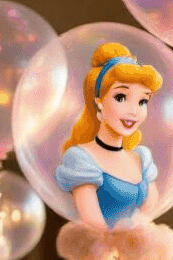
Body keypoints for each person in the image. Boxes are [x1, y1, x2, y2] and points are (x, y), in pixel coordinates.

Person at [55, 42, 163, 229]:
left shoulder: (141, 158)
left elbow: (148, 215)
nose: (134, 111)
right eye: (121, 97)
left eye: (142, 101)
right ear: (99, 102)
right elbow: (93, 221)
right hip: (100, 246)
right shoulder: (81, 159)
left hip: (136, 245)